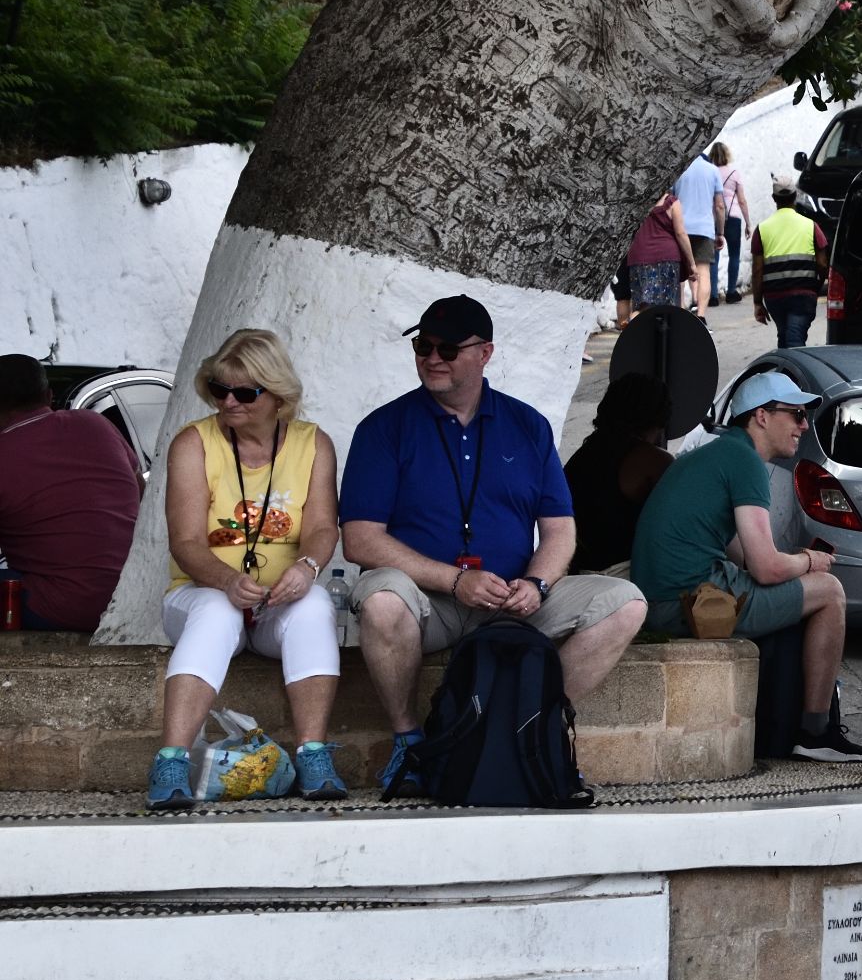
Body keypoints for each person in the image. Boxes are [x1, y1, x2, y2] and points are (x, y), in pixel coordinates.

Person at [343, 296, 648, 795]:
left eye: (447, 348)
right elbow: (359, 540)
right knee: (380, 598)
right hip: (429, 604)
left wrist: (537, 582)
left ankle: (532, 728)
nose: (432, 358)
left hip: (511, 601)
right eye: (423, 346)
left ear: (485, 353)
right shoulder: (384, 428)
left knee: (625, 603)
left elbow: (559, 529)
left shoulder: (527, 426)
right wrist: (454, 580)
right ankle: (410, 741)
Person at [147, 330, 345, 809]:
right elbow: (187, 543)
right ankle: (170, 762)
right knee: (215, 610)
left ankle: (313, 756)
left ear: (278, 395)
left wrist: (306, 567)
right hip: (201, 594)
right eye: (220, 390)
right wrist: (227, 580)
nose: (228, 402)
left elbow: (323, 527)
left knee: (315, 602)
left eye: (244, 393)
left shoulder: (312, 443)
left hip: (276, 604)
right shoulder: (194, 442)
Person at [631, 371, 862, 761]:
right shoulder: (745, 461)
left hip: (665, 598)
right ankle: (815, 731)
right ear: (761, 416)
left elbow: (743, 554)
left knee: (809, 582)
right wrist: (810, 561)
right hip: (686, 603)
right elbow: (766, 569)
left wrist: (794, 566)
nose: (803, 426)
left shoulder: (720, 452)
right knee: (830, 592)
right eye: (795, 415)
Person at [0, 353, 141, 632]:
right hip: (134, 596)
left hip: (62, 609)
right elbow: (141, 493)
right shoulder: (96, 424)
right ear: (49, 395)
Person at [563, 373, 673, 575]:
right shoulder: (654, 461)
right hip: (624, 574)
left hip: (576, 569)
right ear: (660, 416)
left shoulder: (583, 455)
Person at [751, 170, 830, 346]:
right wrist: (819, 286)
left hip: (774, 297)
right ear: (795, 196)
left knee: (785, 335)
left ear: (774, 198)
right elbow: (823, 264)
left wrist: (757, 302)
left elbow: (757, 270)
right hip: (803, 296)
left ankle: (786, 371)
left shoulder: (762, 229)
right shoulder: (811, 226)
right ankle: (794, 371)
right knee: (795, 337)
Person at [673, 151, 727, 317]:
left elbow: (670, 199)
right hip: (704, 229)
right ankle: (701, 315)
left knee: (680, 274)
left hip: (680, 228)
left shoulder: (679, 169)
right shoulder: (712, 170)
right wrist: (720, 232)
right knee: (704, 272)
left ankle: (680, 312)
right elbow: (719, 206)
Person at [624, 190, 692, 313]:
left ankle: (635, 329)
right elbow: (680, 233)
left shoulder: (632, 202)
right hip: (667, 258)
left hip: (638, 257)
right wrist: (691, 263)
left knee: (641, 306)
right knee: (669, 307)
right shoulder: (671, 202)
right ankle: (667, 331)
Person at [707, 141, 750, 306]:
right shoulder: (734, 173)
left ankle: (713, 296)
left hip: (713, 217)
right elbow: (742, 200)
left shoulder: (710, 172)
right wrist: (748, 223)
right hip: (733, 216)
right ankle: (731, 292)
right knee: (734, 254)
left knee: (713, 257)